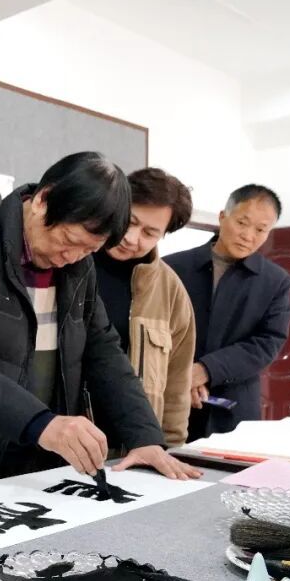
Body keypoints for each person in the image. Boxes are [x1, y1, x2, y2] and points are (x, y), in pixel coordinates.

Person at [0, 152, 202, 497]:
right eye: (69, 242)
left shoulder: (79, 265)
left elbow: (103, 350)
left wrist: (144, 436)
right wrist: (40, 422)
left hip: (36, 454)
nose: (72, 257)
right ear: (43, 200)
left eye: (89, 250)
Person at [165, 184, 290, 440]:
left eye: (260, 229)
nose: (248, 235)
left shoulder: (275, 281)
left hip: (235, 407)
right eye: (242, 223)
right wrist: (182, 375)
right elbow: (155, 330)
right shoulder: (172, 267)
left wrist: (205, 370)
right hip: (170, 399)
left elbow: (267, 342)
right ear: (223, 217)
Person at [93, 168, 196, 446]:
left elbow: (177, 382)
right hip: (61, 441)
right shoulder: (71, 260)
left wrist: (170, 447)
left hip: (133, 447)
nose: (131, 237)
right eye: (130, 221)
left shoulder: (170, 289)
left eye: (149, 233)